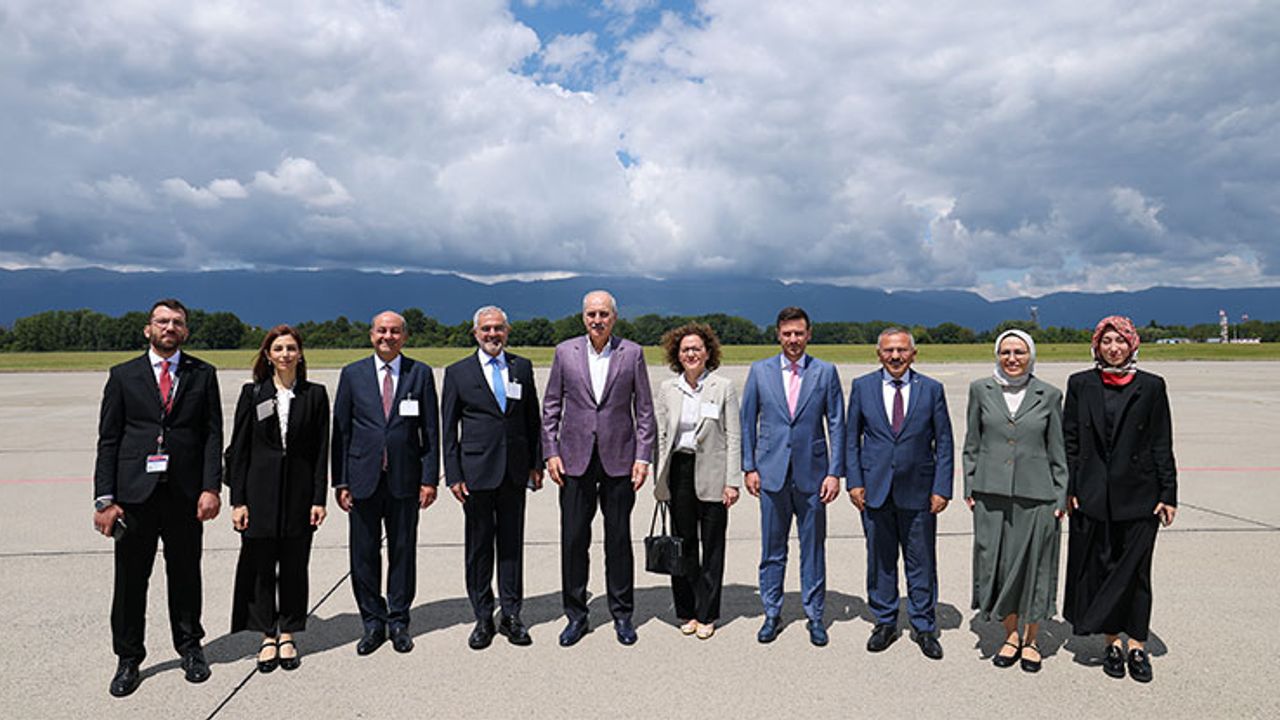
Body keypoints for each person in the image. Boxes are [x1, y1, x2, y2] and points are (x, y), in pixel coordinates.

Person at [92, 298, 223, 697]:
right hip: (134, 497)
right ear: (148, 329)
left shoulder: (203, 374)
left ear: (186, 331)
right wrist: (104, 499)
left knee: (185, 576)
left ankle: (190, 648)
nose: (169, 328)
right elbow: (109, 439)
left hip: (185, 495)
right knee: (131, 581)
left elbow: (212, 435)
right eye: (162, 321)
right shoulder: (123, 375)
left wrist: (211, 487)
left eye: (177, 322)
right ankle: (128, 657)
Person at [1063, 315, 1177, 683]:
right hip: (1093, 495)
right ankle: (1112, 642)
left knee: (1137, 573)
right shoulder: (1080, 384)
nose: (1114, 348)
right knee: (1103, 568)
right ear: (1096, 346)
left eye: (1121, 341)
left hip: (1140, 495)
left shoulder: (1152, 386)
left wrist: (1168, 493)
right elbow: (1070, 442)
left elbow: (1161, 441)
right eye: (1106, 341)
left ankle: (1137, 646)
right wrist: (1070, 489)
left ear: (1133, 345)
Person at [542, 290, 656, 647]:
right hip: (573, 460)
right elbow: (551, 407)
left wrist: (643, 457)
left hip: (619, 459)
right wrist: (550, 452)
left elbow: (645, 411)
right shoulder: (565, 352)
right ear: (583, 317)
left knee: (618, 539)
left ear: (614, 318)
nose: (597, 320)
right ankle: (576, 615)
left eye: (603, 314)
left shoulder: (632, 353)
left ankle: (622, 614)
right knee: (574, 539)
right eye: (591, 314)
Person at [331, 310, 440, 656]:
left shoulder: (419, 373)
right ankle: (372, 622)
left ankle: (399, 621)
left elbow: (431, 432)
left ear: (404, 337)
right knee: (363, 555)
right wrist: (341, 482)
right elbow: (341, 432)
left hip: (405, 480)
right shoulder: (352, 374)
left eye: (394, 332)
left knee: (403, 552)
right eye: (381, 331)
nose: (387, 337)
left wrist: (429, 478)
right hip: (362, 479)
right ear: (371, 335)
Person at [224, 325, 329, 673]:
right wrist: (238, 501)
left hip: (299, 495)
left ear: (300, 354)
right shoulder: (253, 393)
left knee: (295, 566)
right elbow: (239, 450)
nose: (285, 354)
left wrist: (318, 498)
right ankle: (267, 634)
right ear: (268, 355)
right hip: (259, 495)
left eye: (291, 348)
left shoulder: (315, 395)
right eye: (279, 349)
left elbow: (321, 451)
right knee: (260, 567)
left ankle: (289, 632)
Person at [961, 330, 1067, 672]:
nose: (1012, 358)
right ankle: (1010, 635)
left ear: (1030, 355)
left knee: (1035, 566)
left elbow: (1057, 450)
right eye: (1005, 352)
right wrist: (970, 485)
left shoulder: (1049, 395)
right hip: (990, 493)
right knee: (998, 564)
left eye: (1019, 352)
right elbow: (972, 442)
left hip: (1038, 495)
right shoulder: (980, 390)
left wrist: (1060, 494)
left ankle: (1032, 639)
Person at [846, 327, 954, 660]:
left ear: (913, 354)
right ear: (879, 354)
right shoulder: (862, 387)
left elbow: (944, 442)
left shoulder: (931, 389)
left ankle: (924, 625)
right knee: (880, 560)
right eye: (889, 350)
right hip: (874, 489)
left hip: (919, 491)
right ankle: (885, 622)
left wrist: (942, 488)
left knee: (921, 561)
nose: (895, 356)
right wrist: (854, 482)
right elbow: (852, 440)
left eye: (902, 350)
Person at [740, 306, 844, 646]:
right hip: (771, 474)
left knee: (813, 549)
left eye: (799, 333)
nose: (793, 339)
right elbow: (747, 421)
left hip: (813, 475)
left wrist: (835, 472)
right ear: (778, 335)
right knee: (772, 549)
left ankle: (815, 615)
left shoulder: (825, 372)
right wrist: (749, 467)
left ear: (809, 334)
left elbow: (837, 424)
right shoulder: (760, 371)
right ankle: (772, 612)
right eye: (787, 334)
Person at [441, 306, 543, 649]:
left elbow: (532, 419)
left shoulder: (521, 367)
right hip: (476, 474)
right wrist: (453, 474)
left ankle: (511, 615)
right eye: (486, 329)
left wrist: (536, 463)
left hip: (514, 472)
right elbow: (448, 430)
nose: (492, 334)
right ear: (475, 333)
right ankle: (483, 616)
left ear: (507, 331)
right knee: (479, 548)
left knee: (512, 546)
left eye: (498, 328)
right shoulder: (458, 372)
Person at [652, 323, 741, 640]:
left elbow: (734, 436)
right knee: (683, 545)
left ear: (708, 352)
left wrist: (732, 481)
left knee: (713, 546)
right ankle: (687, 611)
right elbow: (662, 436)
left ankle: (708, 613)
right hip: (679, 470)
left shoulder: (722, 387)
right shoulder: (668, 389)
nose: (691, 353)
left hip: (714, 472)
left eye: (697, 348)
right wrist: (660, 479)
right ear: (677, 354)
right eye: (685, 349)